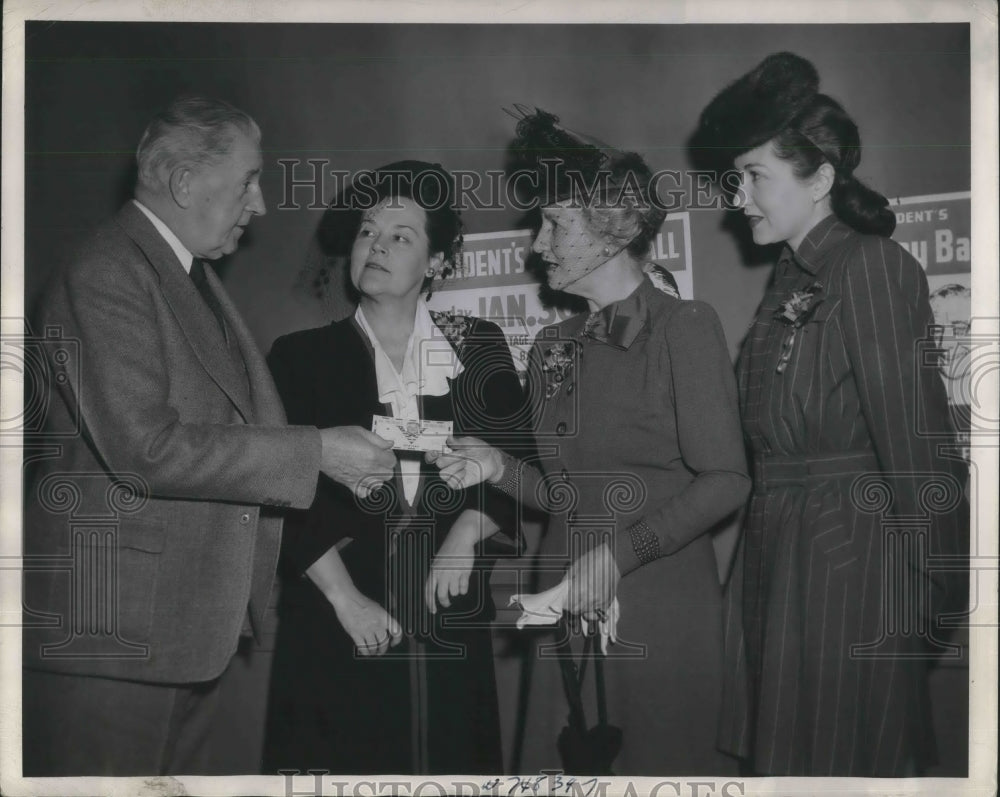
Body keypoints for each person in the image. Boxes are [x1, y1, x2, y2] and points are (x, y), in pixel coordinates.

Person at [21, 96, 397, 777]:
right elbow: (147, 448)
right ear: (186, 183)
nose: (259, 205)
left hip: (173, 637)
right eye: (249, 180)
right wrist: (319, 452)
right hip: (113, 645)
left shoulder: (178, 274)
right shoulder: (108, 270)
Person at [429, 109, 750, 775]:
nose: (538, 244)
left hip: (659, 605)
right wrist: (494, 465)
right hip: (563, 599)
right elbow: (560, 495)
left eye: (556, 224)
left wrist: (618, 557)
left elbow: (727, 478)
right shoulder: (552, 345)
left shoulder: (682, 326)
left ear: (614, 230)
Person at [694, 52, 969, 776]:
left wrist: (935, 595)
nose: (739, 196)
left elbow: (920, 447)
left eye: (754, 176)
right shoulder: (792, 276)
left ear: (818, 179)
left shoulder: (871, 267)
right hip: (780, 561)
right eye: (736, 176)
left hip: (850, 567)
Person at [262, 161, 529, 775]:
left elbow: (519, 467)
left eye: (400, 235)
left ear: (436, 263)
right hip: (338, 617)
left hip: (449, 612)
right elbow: (278, 488)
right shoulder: (299, 358)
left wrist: (465, 536)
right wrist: (346, 600)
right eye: (366, 232)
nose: (376, 245)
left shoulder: (479, 346)